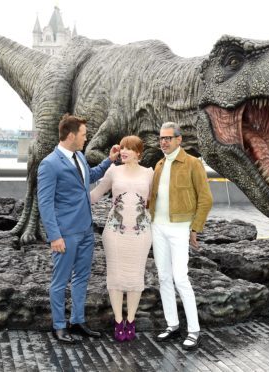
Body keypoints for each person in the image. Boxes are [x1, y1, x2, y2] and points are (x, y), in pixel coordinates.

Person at [37, 113, 120, 344]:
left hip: (85, 230)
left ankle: (77, 320)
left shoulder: (80, 157)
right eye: (83, 134)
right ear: (71, 135)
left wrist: (109, 161)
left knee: (82, 277)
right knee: (60, 281)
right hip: (65, 233)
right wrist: (54, 236)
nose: (86, 138)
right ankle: (59, 326)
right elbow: (45, 203)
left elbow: (89, 177)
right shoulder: (49, 164)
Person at [149, 122, 213, 351]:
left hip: (180, 228)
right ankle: (172, 324)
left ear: (179, 140)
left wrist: (195, 228)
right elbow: (153, 198)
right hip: (158, 227)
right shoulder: (158, 164)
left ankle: (194, 329)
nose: (163, 142)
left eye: (168, 138)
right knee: (164, 277)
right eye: (161, 138)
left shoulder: (192, 163)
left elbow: (206, 199)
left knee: (180, 278)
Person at [90, 135, 154, 342]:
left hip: (140, 233)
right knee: (115, 277)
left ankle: (131, 320)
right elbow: (94, 195)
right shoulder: (113, 171)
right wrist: (66, 195)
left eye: (129, 148)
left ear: (139, 153)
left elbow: (155, 201)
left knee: (136, 277)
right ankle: (118, 321)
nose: (123, 151)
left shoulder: (149, 173)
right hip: (114, 232)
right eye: (122, 148)